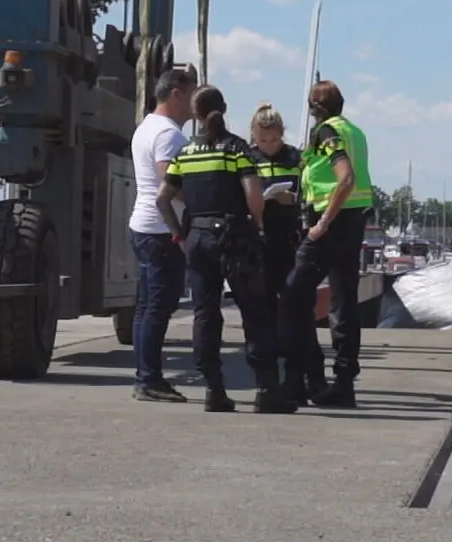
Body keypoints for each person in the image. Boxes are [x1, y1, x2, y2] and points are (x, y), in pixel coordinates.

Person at [155, 86, 297, 414]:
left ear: (196, 115)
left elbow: (163, 199)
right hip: (235, 238)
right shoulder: (236, 149)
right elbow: (253, 193)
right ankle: (266, 390)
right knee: (255, 312)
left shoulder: (185, 153)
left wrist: (179, 236)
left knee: (205, 314)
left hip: (197, 238)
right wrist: (257, 224)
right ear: (225, 109)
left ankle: (214, 390)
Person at [280, 80, 374, 409]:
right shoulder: (355, 132)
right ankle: (344, 383)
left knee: (292, 295)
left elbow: (345, 178)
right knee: (344, 301)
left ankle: (304, 375)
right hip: (354, 221)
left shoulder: (325, 132)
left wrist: (322, 223)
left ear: (314, 109)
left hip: (330, 221)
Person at [246, 102, 324, 405]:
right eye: (263, 140)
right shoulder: (249, 158)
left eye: (274, 139)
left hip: (290, 244)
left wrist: (295, 199)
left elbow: (310, 193)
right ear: (254, 137)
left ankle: (311, 379)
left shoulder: (296, 158)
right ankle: (276, 381)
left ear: (282, 134)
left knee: (300, 314)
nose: (269, 145)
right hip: (261, 244)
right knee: (265, 315)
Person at [127, 66, 196, 403]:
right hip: (161, 230)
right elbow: (171, 186)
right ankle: (149, 379)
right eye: (192, 93)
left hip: (145, 227)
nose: (195, 102)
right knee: (157, 307)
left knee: (146, 308)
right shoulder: (168, 135)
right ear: (176, 94)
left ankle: (145, 375)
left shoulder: (146, 127)